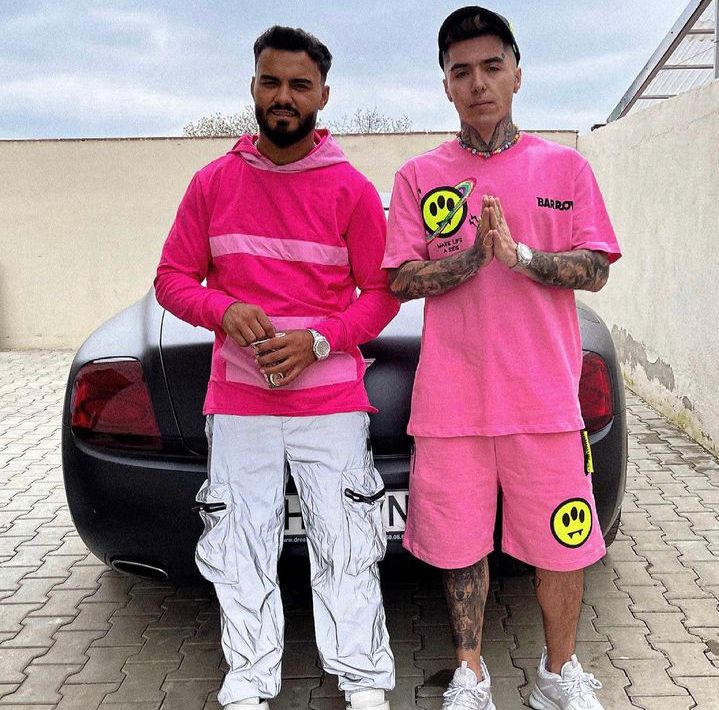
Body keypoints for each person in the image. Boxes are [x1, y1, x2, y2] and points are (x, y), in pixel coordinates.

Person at [382, 7, 621, 710]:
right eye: (461, 72)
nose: (478, 83)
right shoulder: (419, 177)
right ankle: (470, 674)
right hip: (453, 405)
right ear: (446, 86)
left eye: (492, 67)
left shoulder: (565, 168)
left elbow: (595, 267)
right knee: (459, 546)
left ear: (517, 74)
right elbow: (400, 278)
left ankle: (558, 672)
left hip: (545, 403)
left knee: (563, 544)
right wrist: (466, 262)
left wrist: (522, 258)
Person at [155, 24, 398, 710]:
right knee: (240, 544)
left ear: (323, 95)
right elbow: (172, 279)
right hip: (240, 404)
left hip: (332, 405)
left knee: (347, 542)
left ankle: (362, 677)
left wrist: (320, 341)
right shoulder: (212, 183)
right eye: (271, 82)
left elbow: (383, 294)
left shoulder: (351, 189)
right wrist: (223, 309)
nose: (283, 96)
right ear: (254, 87)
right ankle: (250, 676)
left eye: (299, 84)